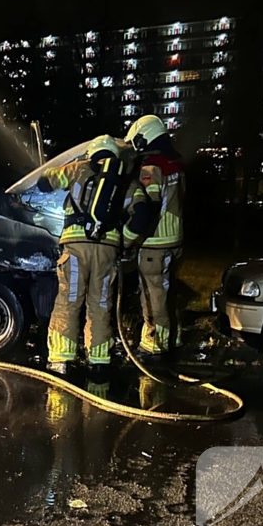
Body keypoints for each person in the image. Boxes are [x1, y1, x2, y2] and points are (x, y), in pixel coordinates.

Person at [36, 135, 142, 375]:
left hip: (76, 249)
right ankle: (99, 361)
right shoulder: (125, 183)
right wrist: (125, 239)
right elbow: (142, 213)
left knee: (69, 301)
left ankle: (61, 360)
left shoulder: (78, 169)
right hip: (108, 250)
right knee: (101, 304)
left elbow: (44, 182)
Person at [124, 115, 185, 358]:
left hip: (155, 242)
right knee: (169, 290)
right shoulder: (175, 163)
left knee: (152, 294)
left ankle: (154, 343)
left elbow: (149, 207)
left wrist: (131, 238)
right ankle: (173, 335)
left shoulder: (151, 167)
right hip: (175, 237)